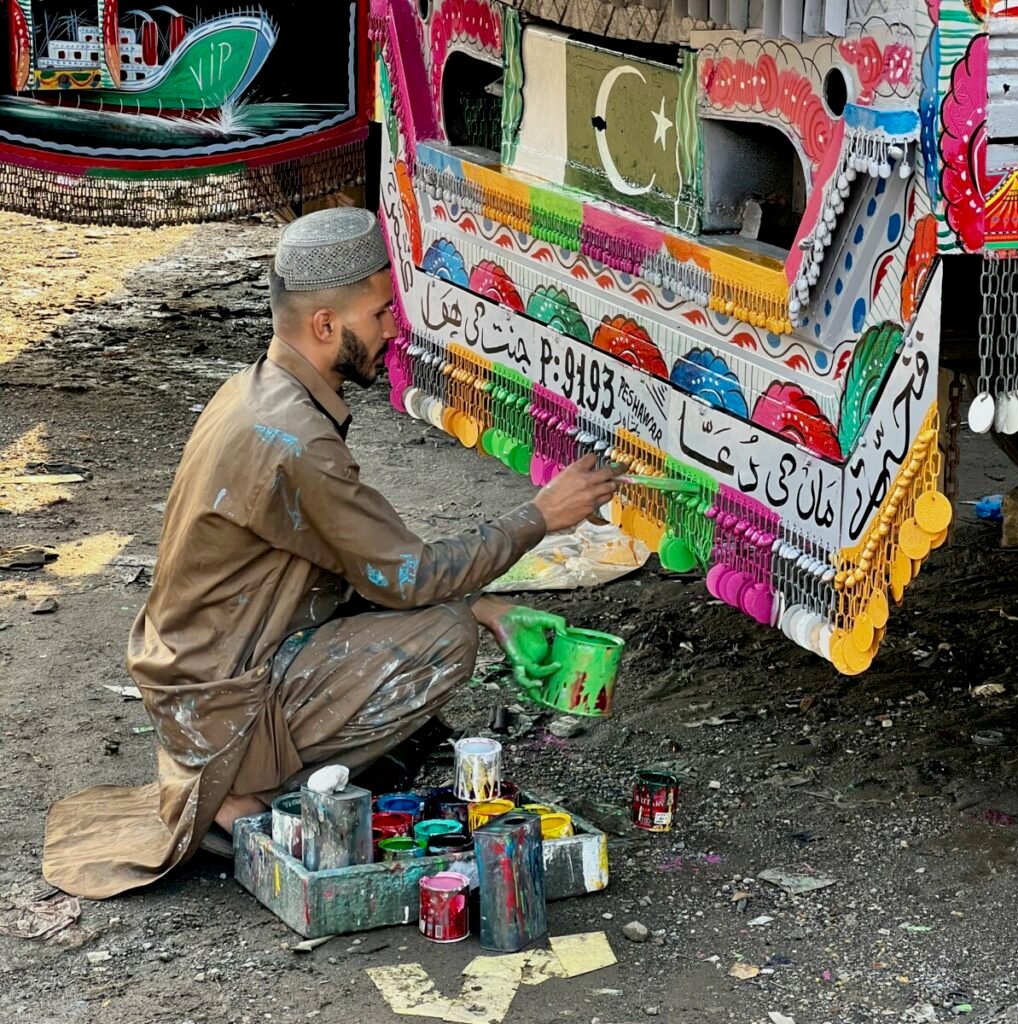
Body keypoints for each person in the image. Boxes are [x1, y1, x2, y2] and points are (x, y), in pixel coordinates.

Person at [42, 208, 620, 899]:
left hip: (202, 682)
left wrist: (491, 602)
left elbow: (355, 569)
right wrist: (540, 517)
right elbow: (408, 576)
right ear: (325, 326)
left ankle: (243, 775)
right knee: (446, 638)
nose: (390, 331)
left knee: (454, 625)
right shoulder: (297, 443)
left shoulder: (259, 393)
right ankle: (242, 793)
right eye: (378, 315)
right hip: (224, 701)